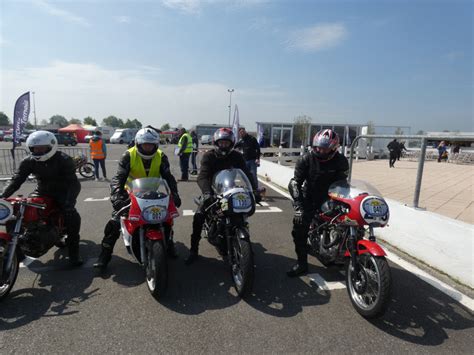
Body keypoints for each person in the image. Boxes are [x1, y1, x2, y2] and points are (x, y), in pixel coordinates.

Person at [93, 127, 182, 268]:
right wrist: (116, 196)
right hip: (131, 192)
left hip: (152, 192)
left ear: (156, 145)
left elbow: (168, 177)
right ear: (138, 144)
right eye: (145, 145)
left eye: (151, 145)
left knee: (166, 217)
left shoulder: (161, 156)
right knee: (115, 221)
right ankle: (104, 255)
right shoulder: (128, 155)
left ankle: (169, 243)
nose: (148, 147)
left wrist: (175, 193)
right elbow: (118, 178)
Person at [1, 131, 83, 266]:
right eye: (35, 148)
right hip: (42, 192)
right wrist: (3, 195)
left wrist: (69, 203)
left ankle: (74, 254)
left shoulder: (64, 159)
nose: (38, 150)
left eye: (42, 148)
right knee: (16, 215)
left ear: (51, 146)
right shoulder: (28, 161)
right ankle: (19, 253)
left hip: (62, 192)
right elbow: (16, 180)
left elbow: (74, 184)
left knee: (72, 217)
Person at [185, 128, 260, 265]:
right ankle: (193, 250)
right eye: (222, 142)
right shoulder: (209, 156)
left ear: (232, 143)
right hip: (212, 192)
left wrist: (254, 190)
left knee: (241, 215)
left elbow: (246, 173)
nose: (224, 145)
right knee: (199, 216)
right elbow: (203, 176)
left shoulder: (236, 156)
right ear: (216, 142)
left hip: (229, 190)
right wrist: (207, 193)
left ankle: (244, 245)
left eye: (227, 143)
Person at [287, 129, 349, 277]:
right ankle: (301, 264)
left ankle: (341, 254)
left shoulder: (341, 161)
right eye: (317, 146)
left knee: (348, 223)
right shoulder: (306, 159)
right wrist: (298, 206)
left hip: (332, 198)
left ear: (334, 148)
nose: (320, 150)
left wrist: (343, 201)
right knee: (299, 230)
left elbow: (343, 184)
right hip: (309, 197)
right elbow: (295, 183)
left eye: (324, 148)